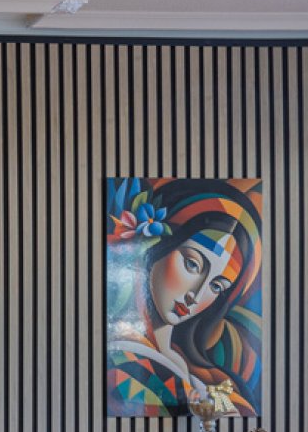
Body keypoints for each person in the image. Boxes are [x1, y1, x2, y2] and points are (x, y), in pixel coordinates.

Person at [106, 177, 263, 417]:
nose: (195, 295)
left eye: (216, 286)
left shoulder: (202, 371)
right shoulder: (122, 360)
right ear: (158, 247)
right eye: (192, 264)